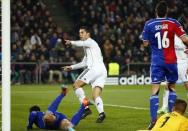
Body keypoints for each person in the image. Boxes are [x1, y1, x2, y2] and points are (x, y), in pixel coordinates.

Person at [141, 1, 188, 129]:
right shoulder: (173, 22)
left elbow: (144, 43)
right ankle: (170, 116)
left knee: (155, 91)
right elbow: (185, 39)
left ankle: (153, 121)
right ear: (166, 11)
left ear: (156, 11)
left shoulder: (149, 24)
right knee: (172, 87)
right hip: (171, 61)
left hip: (157, 61)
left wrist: (150, 40)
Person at [63, 26, 107, 123]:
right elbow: (84, 63)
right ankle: (102, 114)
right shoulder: (89, 48)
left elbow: (80, 43)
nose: (80, 35)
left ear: (88, 34)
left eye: (82, 32)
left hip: (94, 69)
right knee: (95, 95)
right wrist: (71, 67)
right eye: (79, 33)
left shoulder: (90, 42)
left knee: (76, 85)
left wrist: (71, 42)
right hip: (102, 71)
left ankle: (86, 108)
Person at [27, 85, 92, 130]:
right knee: (67, 124)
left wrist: (29, 126)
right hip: (58, 119)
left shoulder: (38, 115)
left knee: (49, 116)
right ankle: (83, 105)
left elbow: (33, 114)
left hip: (53, 117)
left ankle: (82, 105)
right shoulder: (41, 116)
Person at [158, 35, 188, 114]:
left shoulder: (185, 38)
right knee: (169, 85)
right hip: (174, 63)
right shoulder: (170, 37)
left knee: (187, 85)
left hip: (184, 63)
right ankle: (164, 107)